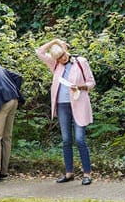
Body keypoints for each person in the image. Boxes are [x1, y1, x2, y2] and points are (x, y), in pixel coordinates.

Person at [37, 38, 96, 186]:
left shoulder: (80, 62)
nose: (62, 59)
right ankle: (69, 172)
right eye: (59, 58)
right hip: (62, 105)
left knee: (80, 139)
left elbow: (91, 82)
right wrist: (53, 41)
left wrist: (80, 86)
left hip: (78, 103)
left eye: (63, 55)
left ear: (66, 51)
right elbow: (39, 52)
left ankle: (87, 173)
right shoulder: (55, 64)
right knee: (66, 140)